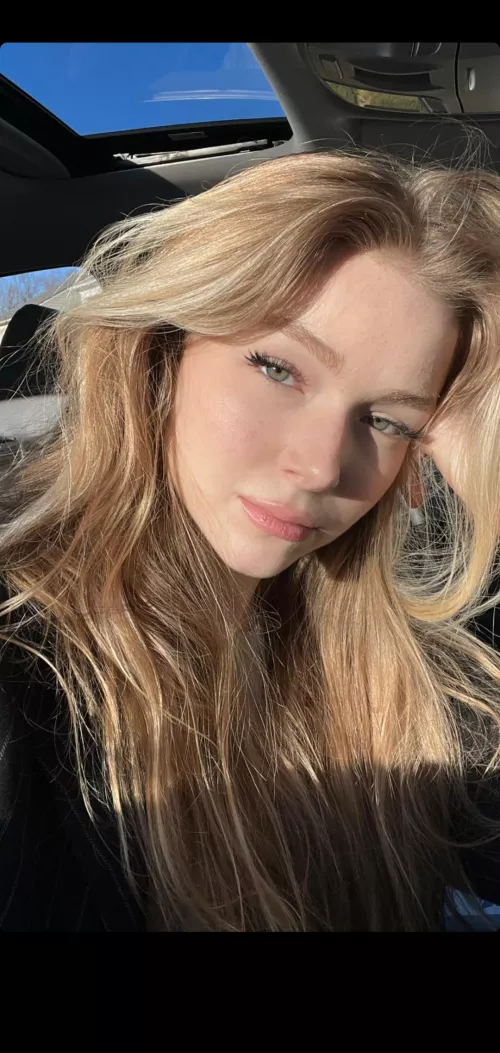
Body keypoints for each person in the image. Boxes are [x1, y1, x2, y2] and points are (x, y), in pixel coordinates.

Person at [1, 148, 500, 932]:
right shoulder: (25, 679)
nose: (321, 466)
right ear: (162, 348)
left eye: (387, 420)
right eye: (277, 369)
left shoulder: (396, 678)